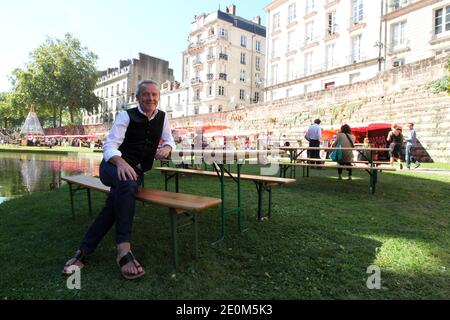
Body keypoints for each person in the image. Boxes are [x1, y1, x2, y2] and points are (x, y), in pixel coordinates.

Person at [62, 80, 175, 280]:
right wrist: (121, 162)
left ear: (159, 97)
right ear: (138, 97)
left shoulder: (163, 117)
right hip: (112, 167)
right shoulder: (126, 115)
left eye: (154, 95)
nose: (150, 98)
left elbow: (169, 140)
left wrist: (167, 147)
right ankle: (124, 249)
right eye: (145, 94)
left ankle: (83, 252)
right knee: (127, 184)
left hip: (135, 172)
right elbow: (109, 146)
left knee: (116, 202)